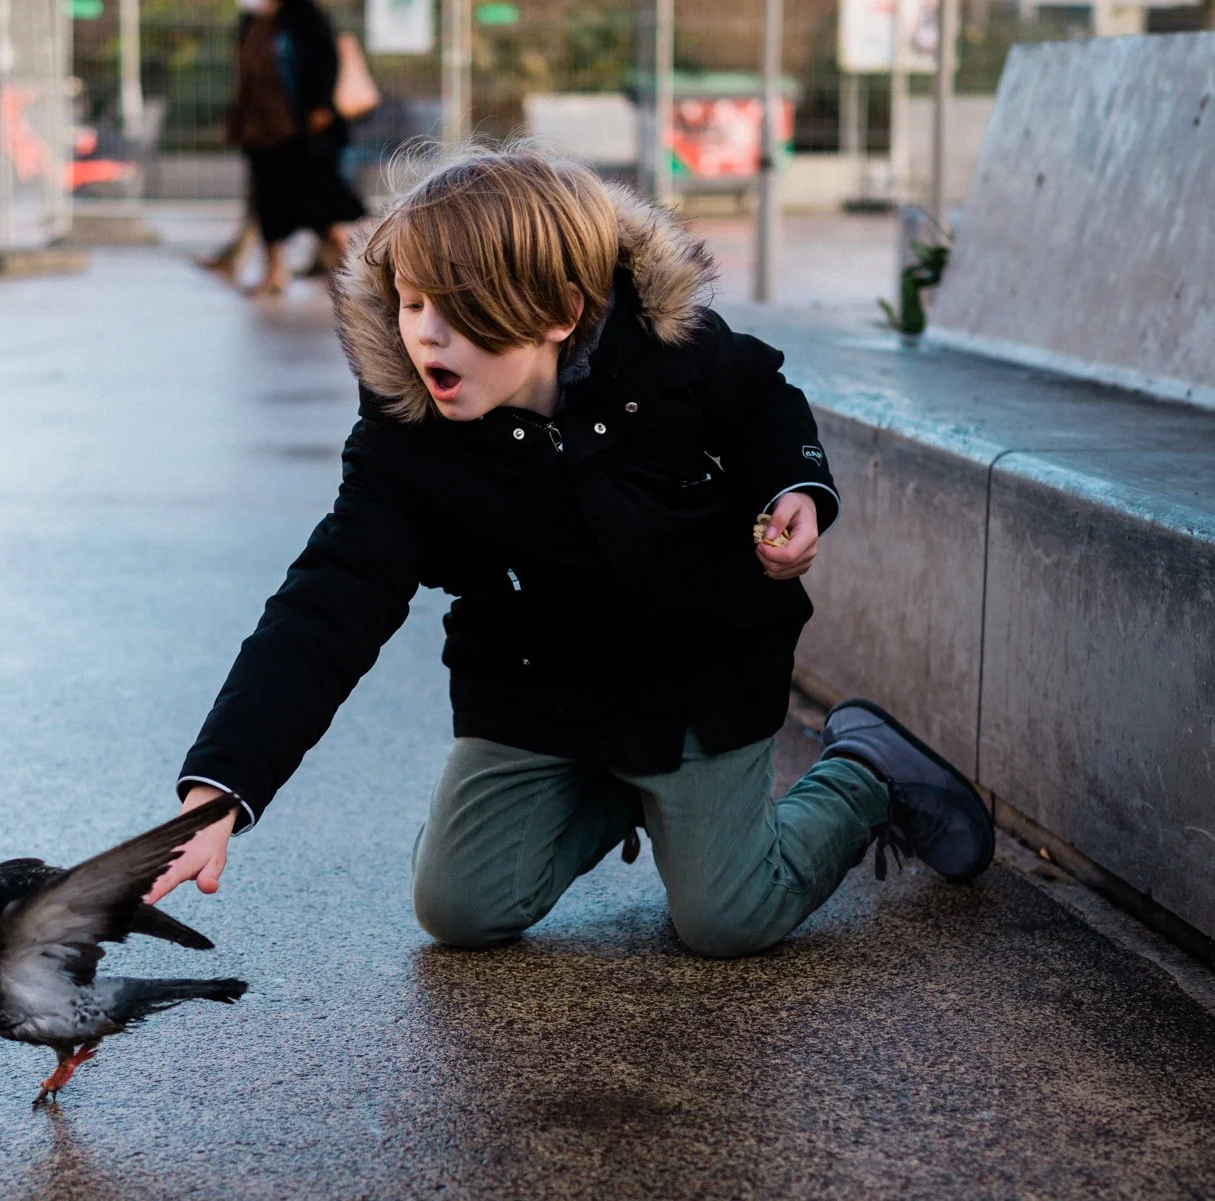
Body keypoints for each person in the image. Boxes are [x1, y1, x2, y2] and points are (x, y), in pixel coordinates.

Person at [147, 148, 995, 960]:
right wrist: (221, 787)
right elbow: (327, 601)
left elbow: (763, 404)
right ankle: (617, 790)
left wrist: (793, 490)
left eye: (460, 310)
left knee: (728, 917)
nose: (426, 335)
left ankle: (865, 774)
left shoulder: (664, 351)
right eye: (411, 303)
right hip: (536, 686)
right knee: (458, 908)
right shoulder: (406, 441)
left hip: (692, 678)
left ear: (558, 313)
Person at [224, 0, 363, 296]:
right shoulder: (251, 21)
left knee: (318, 202)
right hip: (261, 128)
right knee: (268, 203)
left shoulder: (303, 15)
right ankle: (275, 273)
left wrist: (319, 106)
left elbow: (324, 61)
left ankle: (356, 274)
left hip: (301, 130)